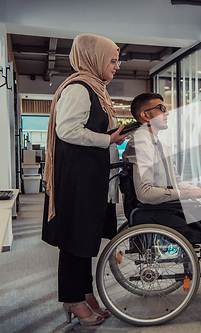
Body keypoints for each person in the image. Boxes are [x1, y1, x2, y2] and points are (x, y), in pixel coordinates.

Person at [42, 34, 130, 326]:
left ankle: (85, 292)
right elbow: (68, 130)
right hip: (76, 180)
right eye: (112, 60)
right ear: (94, 58)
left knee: (85, 240)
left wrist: (115, 135)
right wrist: (108, 139)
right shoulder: (79, 88)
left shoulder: (96, 89)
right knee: (73, 241)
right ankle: (73, 300)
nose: (116, 66)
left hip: (89, 179)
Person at [121, 93, 201, 295]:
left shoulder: (158, 144)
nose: (167, 112)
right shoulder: (142, 143)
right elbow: (145, 193)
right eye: (161, 108)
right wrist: (187, 192)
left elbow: (177, 181)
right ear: (145, 115)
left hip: (171, 207)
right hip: (161, 212)